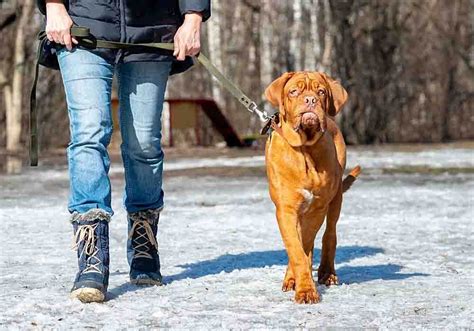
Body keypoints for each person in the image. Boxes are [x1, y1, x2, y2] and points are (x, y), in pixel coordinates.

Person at [36, 0, 211, 303]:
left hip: (152, 29)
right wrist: (53, 5)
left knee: (143, 143)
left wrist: (193, 17)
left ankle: (143, 239)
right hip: (83, 24)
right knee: (89, 133)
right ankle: (92, 254)